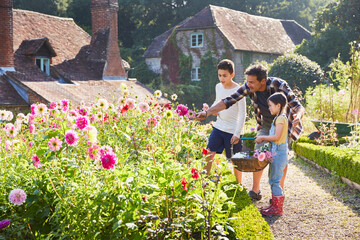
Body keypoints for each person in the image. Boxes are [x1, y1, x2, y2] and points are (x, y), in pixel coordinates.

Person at [196, 64, 305, 200]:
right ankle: (255, 190)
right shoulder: (248, 87)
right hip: (265, 122)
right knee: (258, 154)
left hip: (282, 122)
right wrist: (207, 113)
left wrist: (298, 117)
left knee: (279, 157)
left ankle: (278, 193)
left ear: (263, 81)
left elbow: (298, 106)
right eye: (247, 81)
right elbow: (228, 101)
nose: (248, 85)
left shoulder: (279, 85)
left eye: (252, 82)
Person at [203, 59, 246, 183]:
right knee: (209, 153)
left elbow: (243, 114)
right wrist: (210, 110)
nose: (221, 78)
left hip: (233, 131)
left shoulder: (239, 90)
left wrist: (237, 134)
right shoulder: (218, 86)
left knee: (236, 160)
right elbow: (217, 102)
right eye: (219, 75)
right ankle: (204, 182)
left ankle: (239, 185)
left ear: (232, 75)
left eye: (224, 76)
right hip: (219, 127)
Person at [255, 92, 288, 215]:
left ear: (278, 105)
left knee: (275, 181)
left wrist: (263, 137)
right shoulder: (279, 118)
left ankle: (277, 209)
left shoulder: (280, 118)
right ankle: (274, 205)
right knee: (273, 179)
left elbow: (277, 136)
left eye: (271, 105)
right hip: (277, 151)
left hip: (279, 152)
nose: (269, 108)